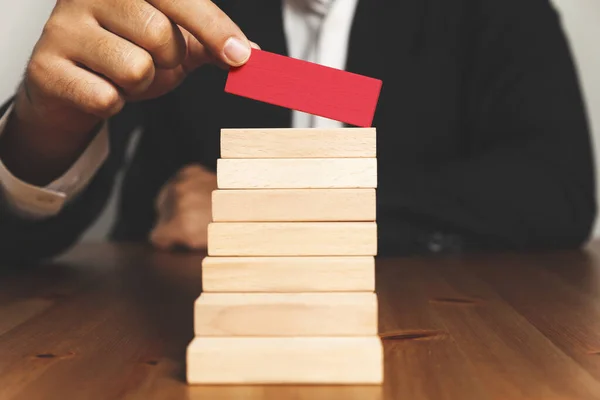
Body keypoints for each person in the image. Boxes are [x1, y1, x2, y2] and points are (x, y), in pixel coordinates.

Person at [0, 0, 596, 263]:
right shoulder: (180, 9)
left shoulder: (491, 11)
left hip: (438, 333)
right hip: (164, 334)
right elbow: (25, 241)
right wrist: (43, 125)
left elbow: (556, 189)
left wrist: (271, 208)